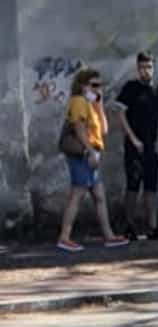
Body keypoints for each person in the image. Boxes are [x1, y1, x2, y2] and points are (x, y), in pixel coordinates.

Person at [57, 68, 129, 252]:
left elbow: (103, 129)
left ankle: (109, 236)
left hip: (92, 152)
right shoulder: (78, 102)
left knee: (99, 196)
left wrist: (99, 104)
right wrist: (90, 151)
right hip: (82, 153)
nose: (98, 89)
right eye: (94, 85)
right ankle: (64, 237)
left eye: (100, 85)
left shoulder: (90, 104)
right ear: (83, 86)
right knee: (78, 193)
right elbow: (79, 129)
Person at [115, 50, 158, 240]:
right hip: (134, 146)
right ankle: (129, 226)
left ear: (153, 67)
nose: (146, 71)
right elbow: (121, 114)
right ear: (137, 68)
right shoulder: (130, 89)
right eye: (142, 67)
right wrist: (132, 138)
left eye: (149, 67)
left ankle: (154, 227)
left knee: (151, 188)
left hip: (151, 146)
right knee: (133, 187)